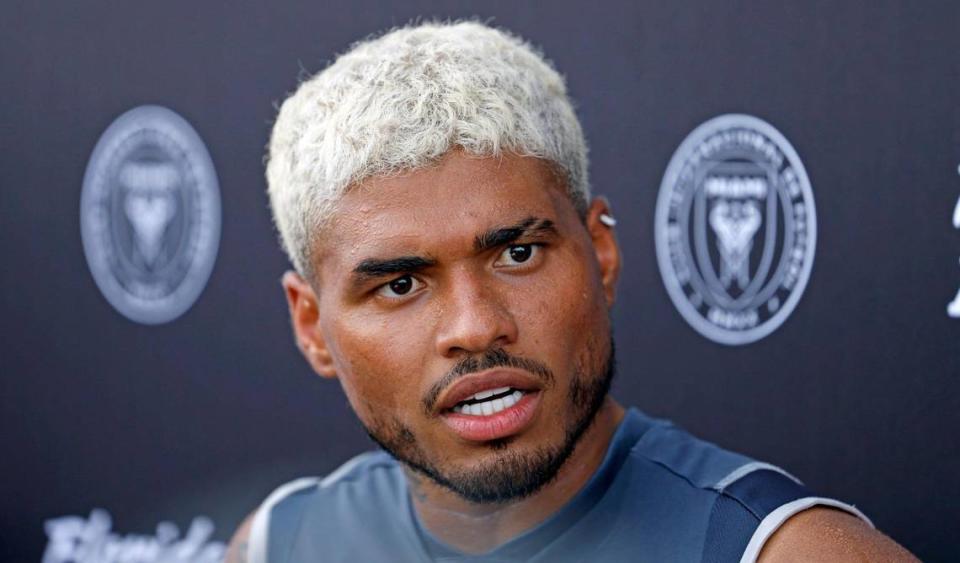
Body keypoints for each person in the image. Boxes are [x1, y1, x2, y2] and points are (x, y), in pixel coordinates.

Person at [227, 21, 915, 562]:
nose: (474, 325)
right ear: (312, 326)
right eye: (401, 283)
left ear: (603, 253)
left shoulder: (788, 553)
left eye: (518, 253)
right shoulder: (277, 545)